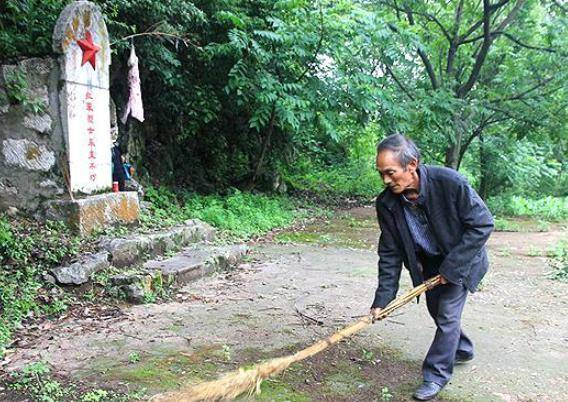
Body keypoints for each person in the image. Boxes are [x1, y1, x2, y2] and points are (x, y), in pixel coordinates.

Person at [369, 134, 494, 401]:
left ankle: (435, 375)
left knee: (448, 314)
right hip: (429, 262)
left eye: (390, 173)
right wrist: (383, 299)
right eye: (381, 174)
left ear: (411, 164)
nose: (386, 180)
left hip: (461, 258)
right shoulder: (387, 204)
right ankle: (462, 348)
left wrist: (452, 268)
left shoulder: (450, 183)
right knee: (437, 311)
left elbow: (483, 223)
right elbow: (390, 252)